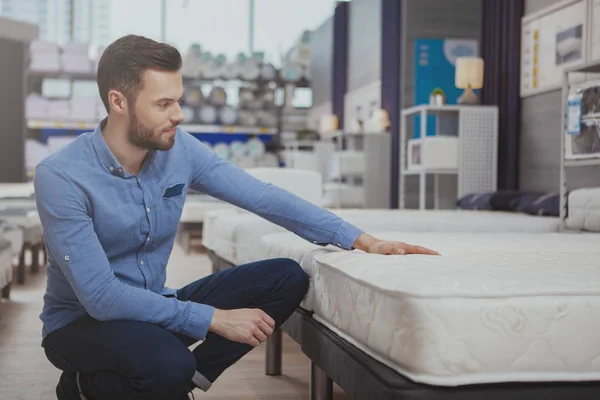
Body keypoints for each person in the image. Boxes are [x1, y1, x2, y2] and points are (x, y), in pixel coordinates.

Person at [34, 35, 439, 400]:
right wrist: (214, 319)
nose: (178, 114)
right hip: (81, 324)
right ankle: (86, 385)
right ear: (118, 101)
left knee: (285, 277)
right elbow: (103, 298)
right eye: (163, 104)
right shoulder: (61, 176)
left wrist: (361, 239)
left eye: (178, 99)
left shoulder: (180, 150)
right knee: (167, 363)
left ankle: (183, 383)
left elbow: (261, 196)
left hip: (154, 308)